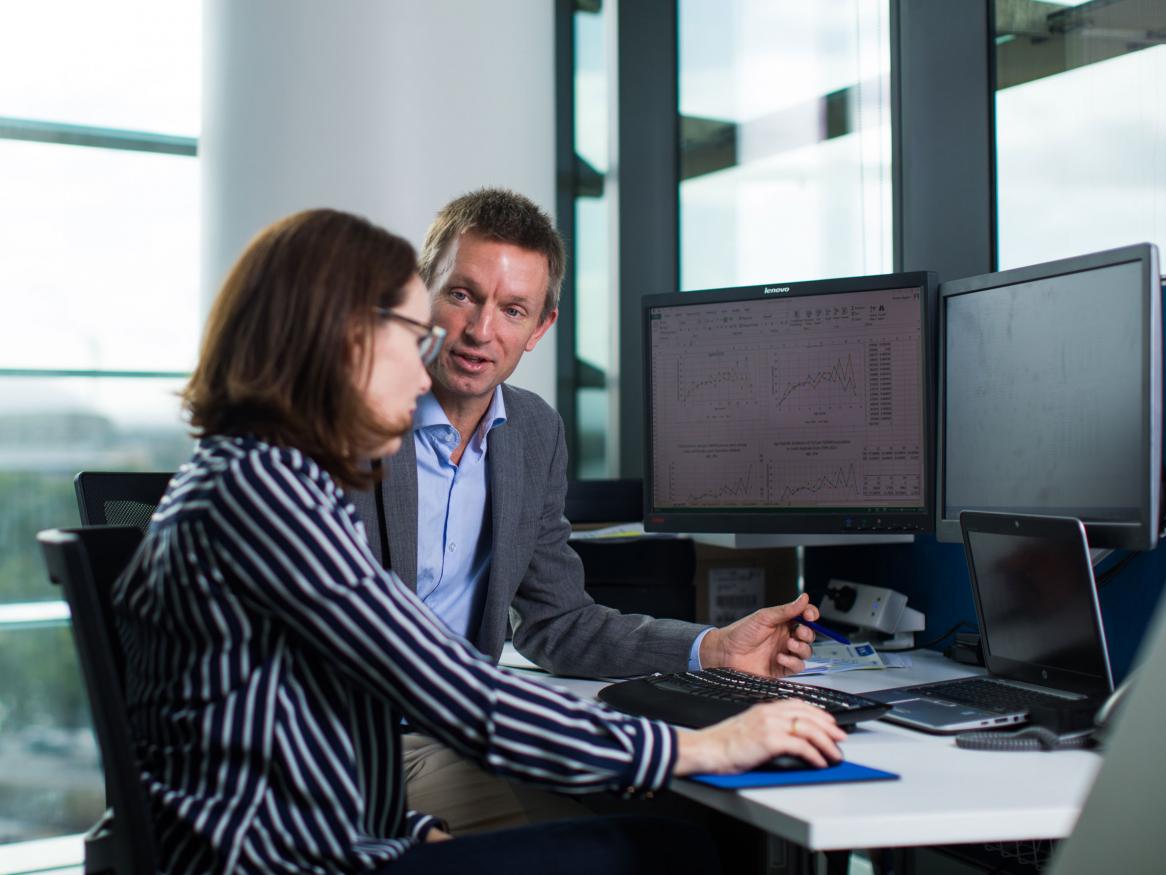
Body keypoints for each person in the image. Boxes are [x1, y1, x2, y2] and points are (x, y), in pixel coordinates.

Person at [113, 208, 845, 875]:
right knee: (669, 849)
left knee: (655, 831)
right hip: (274, 860)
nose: (435, 352)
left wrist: (406, 829)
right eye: (416, 328)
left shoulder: (258, 470)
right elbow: (452, 690)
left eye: (511, 310)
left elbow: (290, 726)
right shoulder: (271, 492)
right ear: (338, 339)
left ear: (539, 325)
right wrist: (703, 745)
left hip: (322, 830)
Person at [353, 188, 826, 833]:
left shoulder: (532, 432)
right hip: (349, 742)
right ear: (421, 293)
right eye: (461, 294)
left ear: (541, 328)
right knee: (609, 844)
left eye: (513, 309)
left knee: (668, 828)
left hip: (459, 734)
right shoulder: (351, 420)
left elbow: (558, 623)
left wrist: (711, 649)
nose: (481, 330)